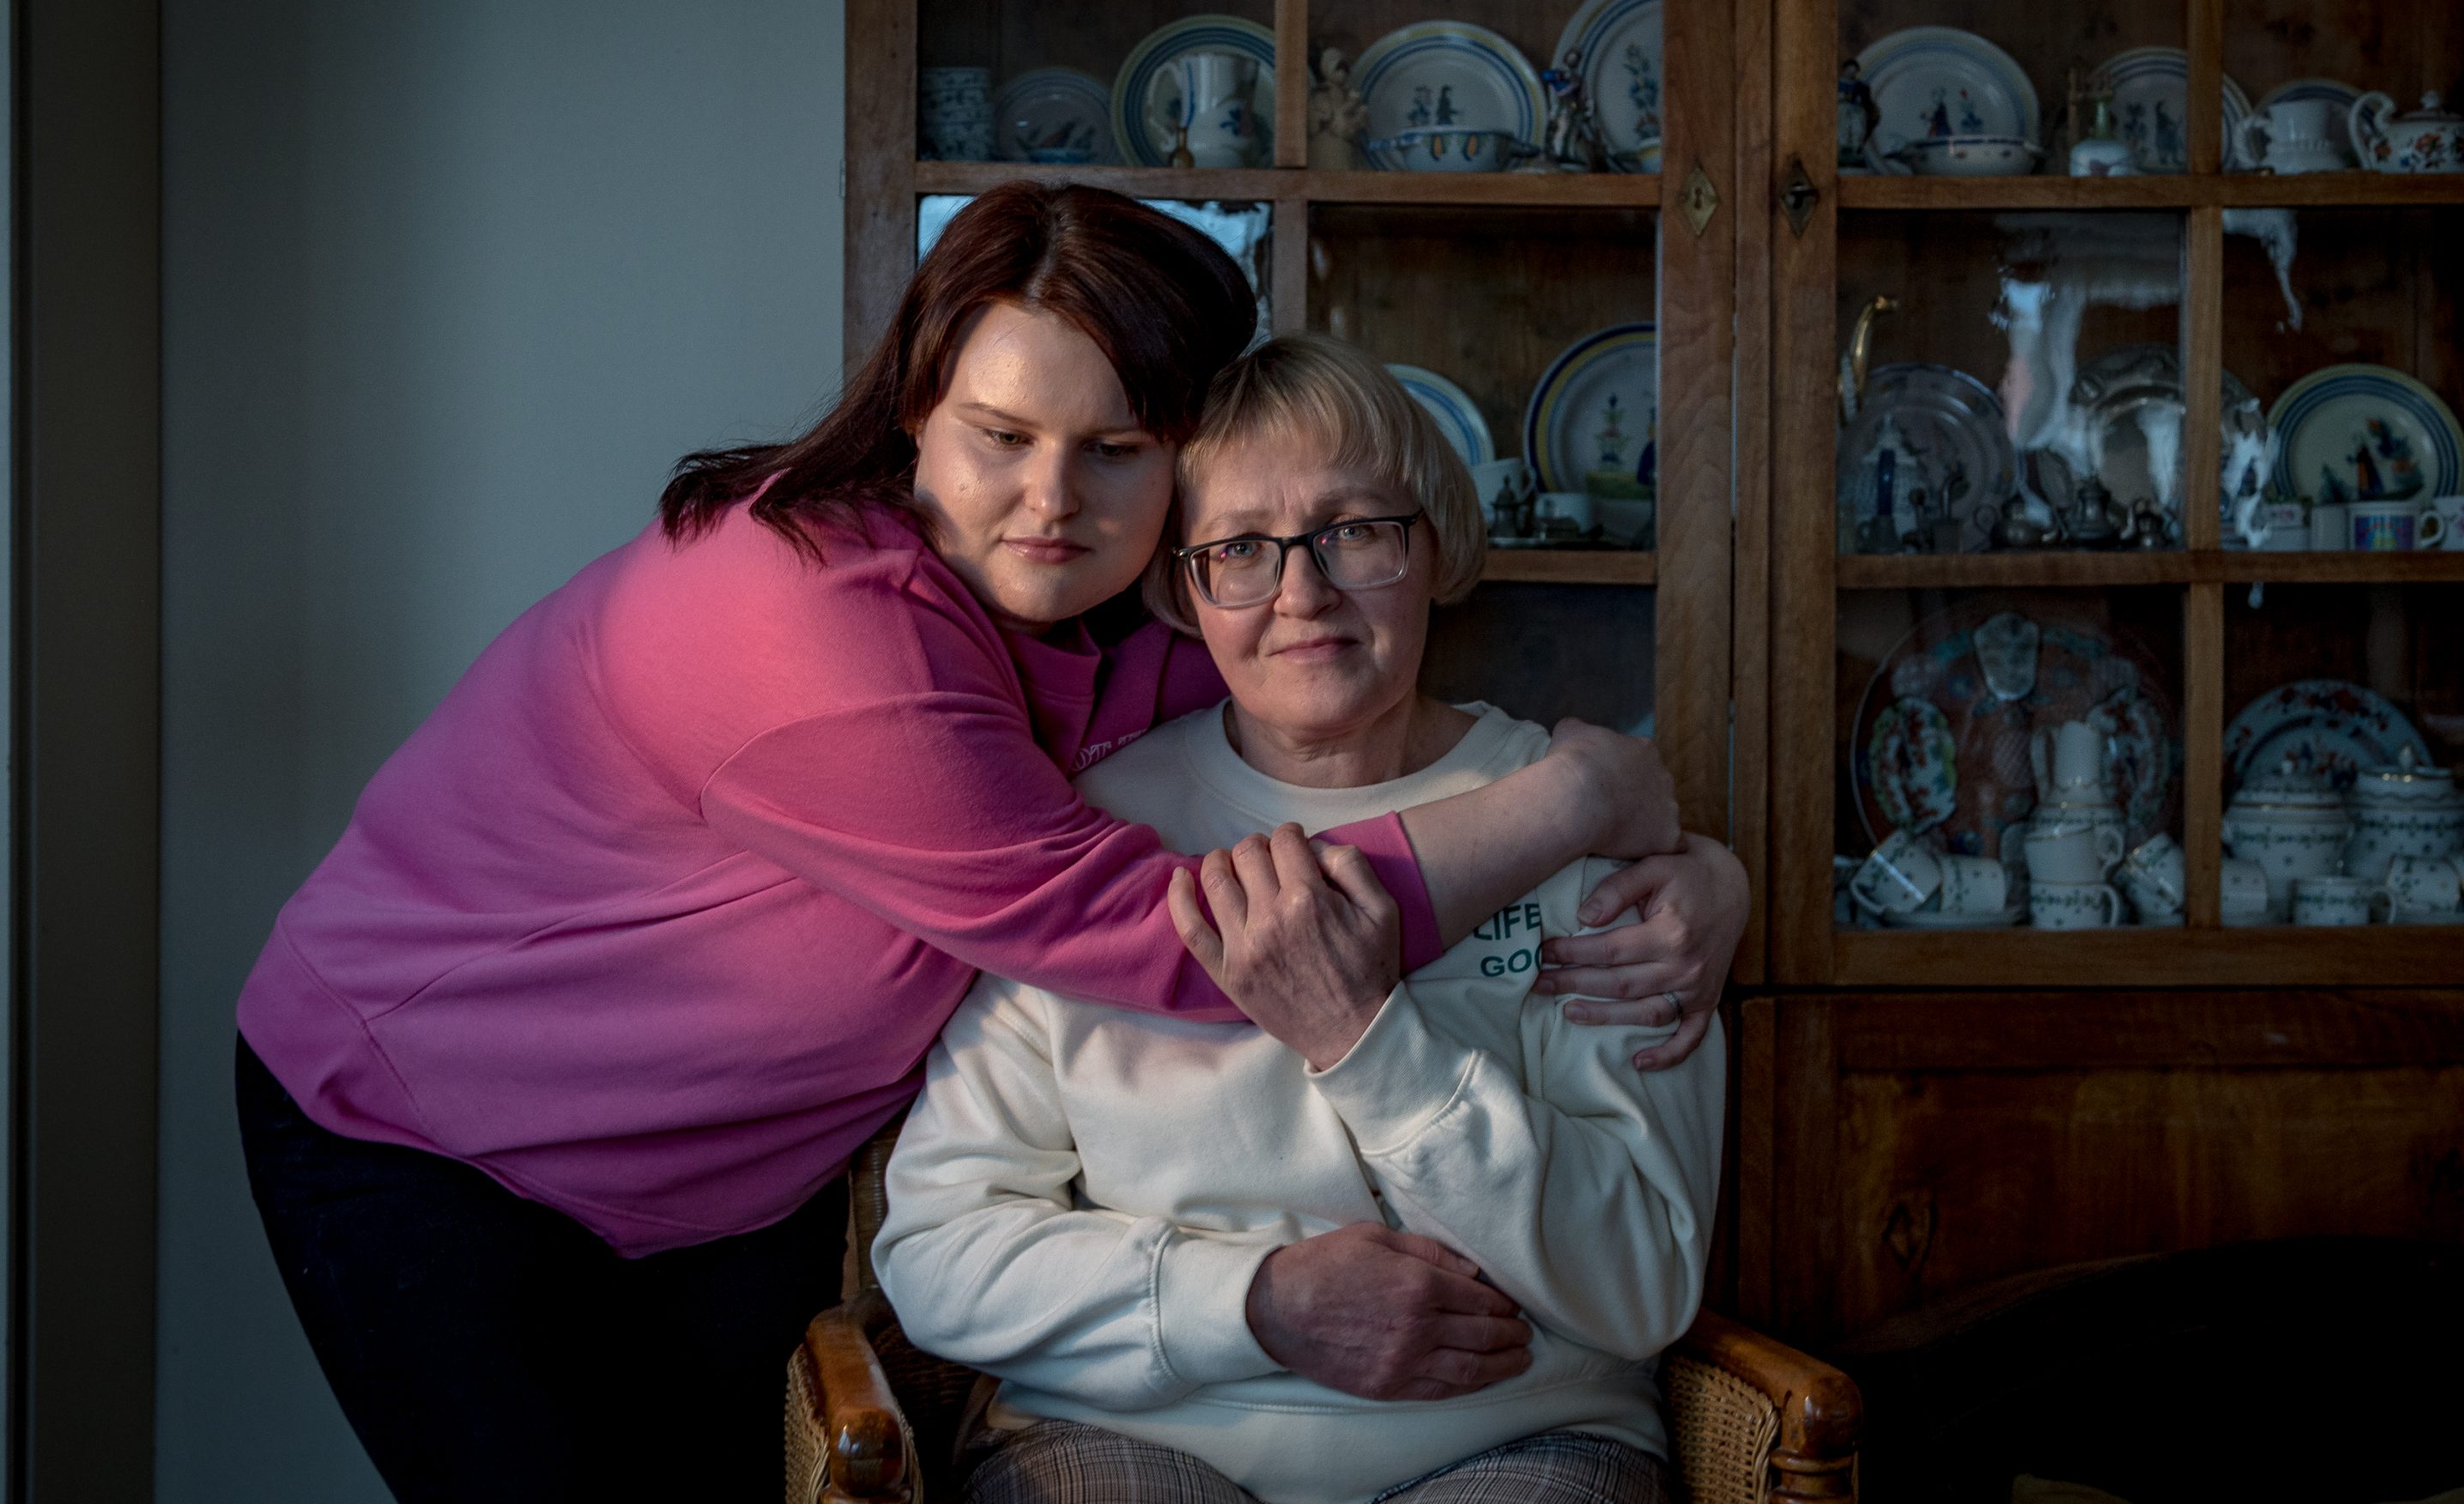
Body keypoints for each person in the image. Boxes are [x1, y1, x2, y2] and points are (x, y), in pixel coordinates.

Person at [233, 184, 1745, 1501]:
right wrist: (1581, 803)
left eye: (1117, 447)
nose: (1051, 500)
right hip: (435, 1125)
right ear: (913, 409)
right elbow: (1204, 941)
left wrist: (1703, 872)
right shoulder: (802, 620)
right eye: (1000, 436)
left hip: (732, 1178)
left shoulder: (1135, 632)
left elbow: (1303, 731)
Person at [875, 333, 1734, 1504]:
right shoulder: (1097, 833)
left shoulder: (1577, 830)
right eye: (1239, 549)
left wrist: (1368, 1046)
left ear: (1435, 544)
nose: (1302, 593)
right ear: (1183, 588)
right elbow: (940, 1249)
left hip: (1514, 1435)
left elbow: (1643, 1282)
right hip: (1130, 1439)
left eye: (1356, 532)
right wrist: (1253, 1305)